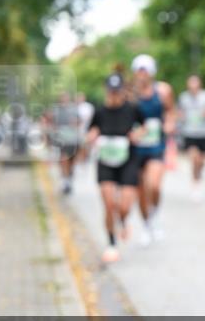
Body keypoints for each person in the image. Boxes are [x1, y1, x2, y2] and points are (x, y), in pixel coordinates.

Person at [85, 74, 146, 263]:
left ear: (121, 91)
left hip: (128, 158)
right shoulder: (99, 111)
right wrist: (92, 136)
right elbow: (91, 130)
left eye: (117, 91)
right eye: (110, 91)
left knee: (124, 205)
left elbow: (144, 127)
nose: (113, 95)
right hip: (105, 159)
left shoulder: (132, 109)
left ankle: (123, 220)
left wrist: (138, 134)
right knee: (109, 203)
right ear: (106, 91)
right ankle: (111, 244)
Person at [130, 54, 175, 246]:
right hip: (136, 148)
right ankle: (146, 225)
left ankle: (154, 215)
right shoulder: (129, 94)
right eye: (139, 71)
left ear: (152, 72)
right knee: (141, 191)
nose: (142, 75)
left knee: (154, 185)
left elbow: (171, 111)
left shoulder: (163, 91)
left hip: (156, 145)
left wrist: (170, 124)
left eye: (145, 70)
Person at [178, 74, 205, 201]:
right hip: (189, 132)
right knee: (194, 159)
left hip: (204, 132)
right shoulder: (183, 98)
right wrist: (180, 118)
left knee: (202, 161)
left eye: (195, 83)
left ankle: (199, 176)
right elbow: (179, 112)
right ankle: (195, 185)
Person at [49, 92, 82, 195]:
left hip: (73, 139)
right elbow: (51, 122)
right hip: (62, 140)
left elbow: (79, 121)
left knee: (72, 161)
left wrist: (75, 123)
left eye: (66, 97)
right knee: (64, 159)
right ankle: (65, 181)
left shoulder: (74, 109)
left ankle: (69, 178)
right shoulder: (56, 110)